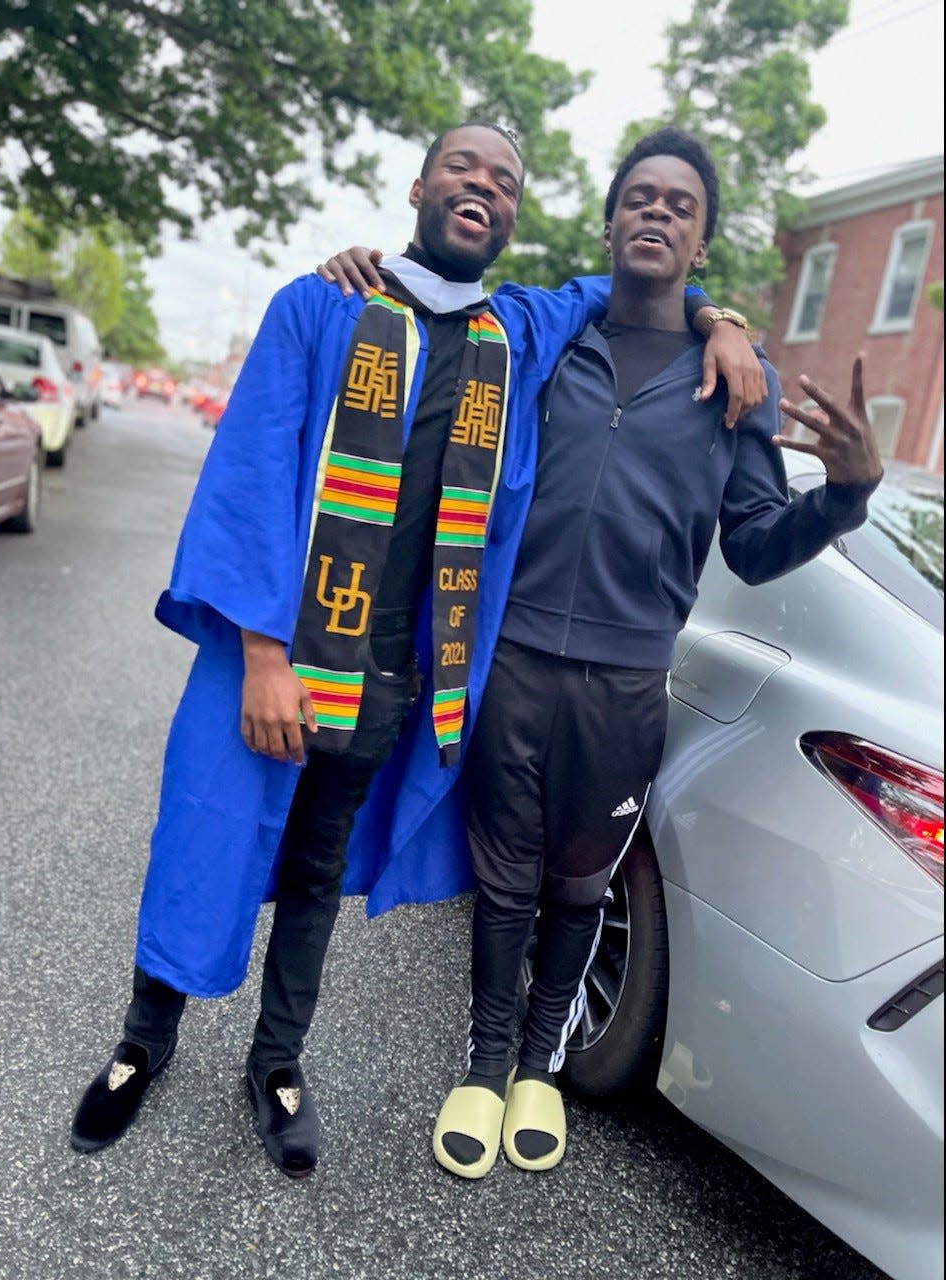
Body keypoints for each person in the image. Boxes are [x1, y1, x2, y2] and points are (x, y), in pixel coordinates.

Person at [70, 122, 761, 1179]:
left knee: (313, 871)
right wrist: (261, 652)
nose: (481, 188)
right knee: (206, 836)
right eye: (462, 169)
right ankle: (142, 1040)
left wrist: (723, 323)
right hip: (282, 660)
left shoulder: (513, 331)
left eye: (504, 183)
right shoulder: (327, 305)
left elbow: (619, 286)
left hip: (391, 678)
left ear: (512, 217)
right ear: (419, 187)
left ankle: (279, 1063)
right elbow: (251, 476)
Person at [318, 125, 883, 1181]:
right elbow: (437, 319)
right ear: (613, 219)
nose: (657, 212)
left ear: (702, 240)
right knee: (503, 880)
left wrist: (845, 497)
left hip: (627, 682)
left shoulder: (736, 384)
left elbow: (758, 549)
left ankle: (541, 1064)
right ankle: (484, 1068)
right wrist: (357, 271)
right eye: (641, 197)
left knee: (580, 884)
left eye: (680, 203)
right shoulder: (541, 345)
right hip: (515, 658)